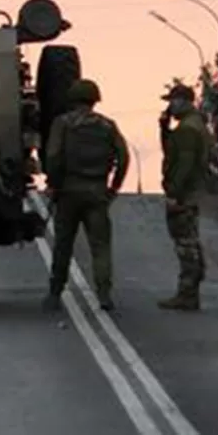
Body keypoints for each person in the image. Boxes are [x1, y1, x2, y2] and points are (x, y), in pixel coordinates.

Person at [41, 78, 130, 312]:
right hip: (97, 192)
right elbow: (124, 158)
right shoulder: (107, 126)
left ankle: (54, 293)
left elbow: (53, 156)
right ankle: (103, 295)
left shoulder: (63, 124)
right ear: (94, 100)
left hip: (69, 192)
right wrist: (113, 188)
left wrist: (53, 183)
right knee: (100, 247)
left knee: (63, 245)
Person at [158, 81, 212, 311]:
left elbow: (184, 164)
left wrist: (175, 193)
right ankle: (189, 291)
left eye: (172, 101)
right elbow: (172, 150)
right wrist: (164, 128)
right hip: (191, 192)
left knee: (185, 243)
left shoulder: (188, 129)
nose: (170, 106)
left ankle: (188, 293)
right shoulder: (192, 125)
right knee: (189, 241)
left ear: (184, 101)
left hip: (185, 194)